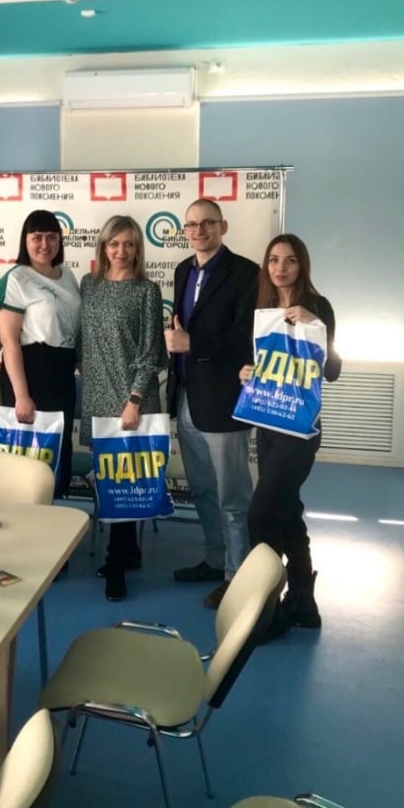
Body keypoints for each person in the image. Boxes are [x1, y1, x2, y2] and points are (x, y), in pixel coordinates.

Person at [241, 234, 341, 633]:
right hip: (268, 423)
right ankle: (303, 600)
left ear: (303, 266)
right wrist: (247, 373)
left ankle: (266, 604)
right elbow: (258, 364)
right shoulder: (262, 309)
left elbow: (332, 371)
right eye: (273, 260)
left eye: (290, 260)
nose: (280, 268)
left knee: (260, 514)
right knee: (285, 511)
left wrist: (316, 327)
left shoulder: (319, 307)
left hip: (300, 431)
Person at [165, 199, 259, 609]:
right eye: (191, 225)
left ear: (223, 226)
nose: (198, 231)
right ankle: (216, 560)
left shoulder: (247, 273)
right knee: (202, 489)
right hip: (187, 396)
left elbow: (246, 338)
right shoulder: (182, 270)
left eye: (207, 223)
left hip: (224, 400)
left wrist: (193, 343)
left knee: (232, 497)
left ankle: (238, 576)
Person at [79, 215, 165, 601]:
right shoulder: (89, 285)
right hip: (97, 395)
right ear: (103, 246)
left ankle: (116, 563)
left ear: (138, 248)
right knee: (108, 477)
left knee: (124, 482)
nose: (122, 251)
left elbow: (151, 353)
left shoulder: (147, 291)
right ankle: (128, 550)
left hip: (131, 399)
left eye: (129, 244)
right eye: (114, 243)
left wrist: (134, 400)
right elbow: (83, 340)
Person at [0, 210, 81, 500]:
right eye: (37, 237)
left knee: (57, 452)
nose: (45, 244)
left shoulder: (68, 276)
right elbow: (9, 341)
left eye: (52, 237)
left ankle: (51, 519)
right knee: (27, 461)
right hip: (30, 374)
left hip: (62, 375)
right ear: (25, 241)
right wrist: (21, 396)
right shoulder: (16, 278)